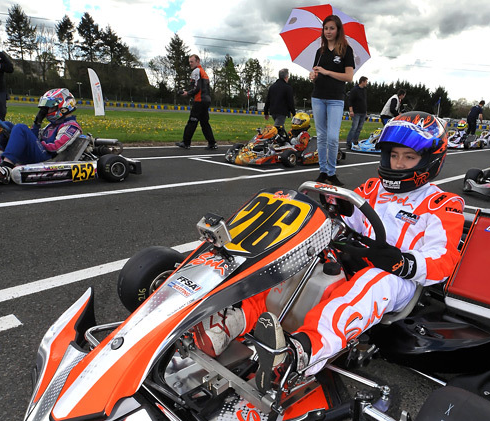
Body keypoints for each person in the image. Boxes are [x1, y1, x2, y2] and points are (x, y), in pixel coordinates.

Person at [192, 112, 465, 393]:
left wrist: (403, 263)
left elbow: (444, 259)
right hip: (352, 259)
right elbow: (347, 224)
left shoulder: (442, 204)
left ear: (430, 159)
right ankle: (233, 322)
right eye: (394, 155)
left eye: (409, 157)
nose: (398, 163)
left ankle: (302, 352)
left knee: (373, 280)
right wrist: (335, 212)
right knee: (296, 260)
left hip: (397, 279)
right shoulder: (372, 188)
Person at [0, 88, 82, 190]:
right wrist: (37, 124)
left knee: (21, 128)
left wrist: (37, 143)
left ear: (63, 107)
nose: (46, 111)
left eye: (49, 108)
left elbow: (56, 147)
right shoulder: (52, 125)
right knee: (6, 125)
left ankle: (6, 167)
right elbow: (35, 137)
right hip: (40, 153)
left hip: (48, 158)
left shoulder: (71, 126)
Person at [309, 14, 355, 186]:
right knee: (321, 136)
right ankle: (323, 171)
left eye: (331, 28)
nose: (328, 31)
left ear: (338, 30)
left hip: (336, 99)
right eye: (326, 28)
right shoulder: (319, 52)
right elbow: (315, 73)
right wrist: (313, 76)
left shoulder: (345, 50)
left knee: (332, 137)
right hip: (318, 97)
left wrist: (327, 72)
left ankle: (332, 171)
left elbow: (349, 77)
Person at [176, 54, 217, 150]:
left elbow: (197, 88)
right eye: (189, 62)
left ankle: (186, 142)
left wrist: (187, 93)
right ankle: (212, 143)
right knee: (204, 123)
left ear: (197, 61)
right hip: (206, 100)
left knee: (192, 121)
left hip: (199, 100)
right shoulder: (203, 72)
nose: (190, 63)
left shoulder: (196, 71)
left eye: (192, 61)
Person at [345, 76, 368, 149]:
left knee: (359, 128)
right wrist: (351, 110)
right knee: (354, 127)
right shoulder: (355, 90)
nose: (366, 83)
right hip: (356, 112)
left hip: (363, 111)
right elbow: (350, 100)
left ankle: (355, 141)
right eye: (366, 81)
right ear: (363, 81)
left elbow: (364, 101)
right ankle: (349, 142)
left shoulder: (364, 90)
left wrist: (366, 112)